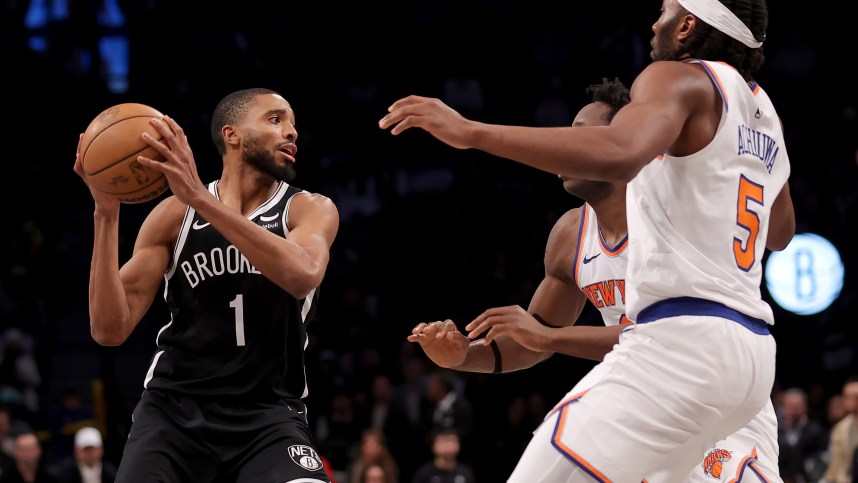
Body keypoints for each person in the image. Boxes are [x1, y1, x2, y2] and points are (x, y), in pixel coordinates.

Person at [383, 0, 796, 476]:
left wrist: (471, 132)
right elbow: (779, 232)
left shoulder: (673, 78)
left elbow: (621, 152)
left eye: (664, 10)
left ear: (687, 25)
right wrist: (466, 356)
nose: (653, 21)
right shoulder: (763, 111)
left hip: (681, 347)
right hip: (750, 354)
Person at [73, 87, 340, 482]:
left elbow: (302, 276)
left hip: (267, 415)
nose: (291, 132)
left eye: (293, 124)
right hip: (173, 413)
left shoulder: (308, 208)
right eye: (275, 119)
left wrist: (199, 197)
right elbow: (109, 329)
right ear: (231, 134)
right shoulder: (173, 215)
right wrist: (106, 213)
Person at [823, 376, 858, 483]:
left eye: (855, 396)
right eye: (847, 397)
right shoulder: (840, 429)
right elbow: (834, 469)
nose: (851, 400)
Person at [53, 427, 118, 483]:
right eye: (86, 449)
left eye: (92, 449)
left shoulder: (111, 473)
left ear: (101, 450)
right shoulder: (65, 475)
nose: (90, 453)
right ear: (76, 451)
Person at [411, 429, 476, 483]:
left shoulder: (466, 473)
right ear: (433, 446)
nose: (447, 446)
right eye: (443, 441)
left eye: (451, 441)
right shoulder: (423, 474)